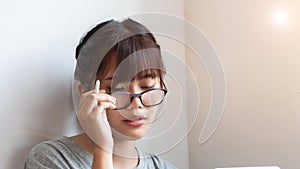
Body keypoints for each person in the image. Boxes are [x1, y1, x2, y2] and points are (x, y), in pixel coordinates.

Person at [24, 18, 177, 169]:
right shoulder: (51, 159)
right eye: (118, 90)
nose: (137, 103)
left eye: (146, 86)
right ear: (85, 93)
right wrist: (103, 149)